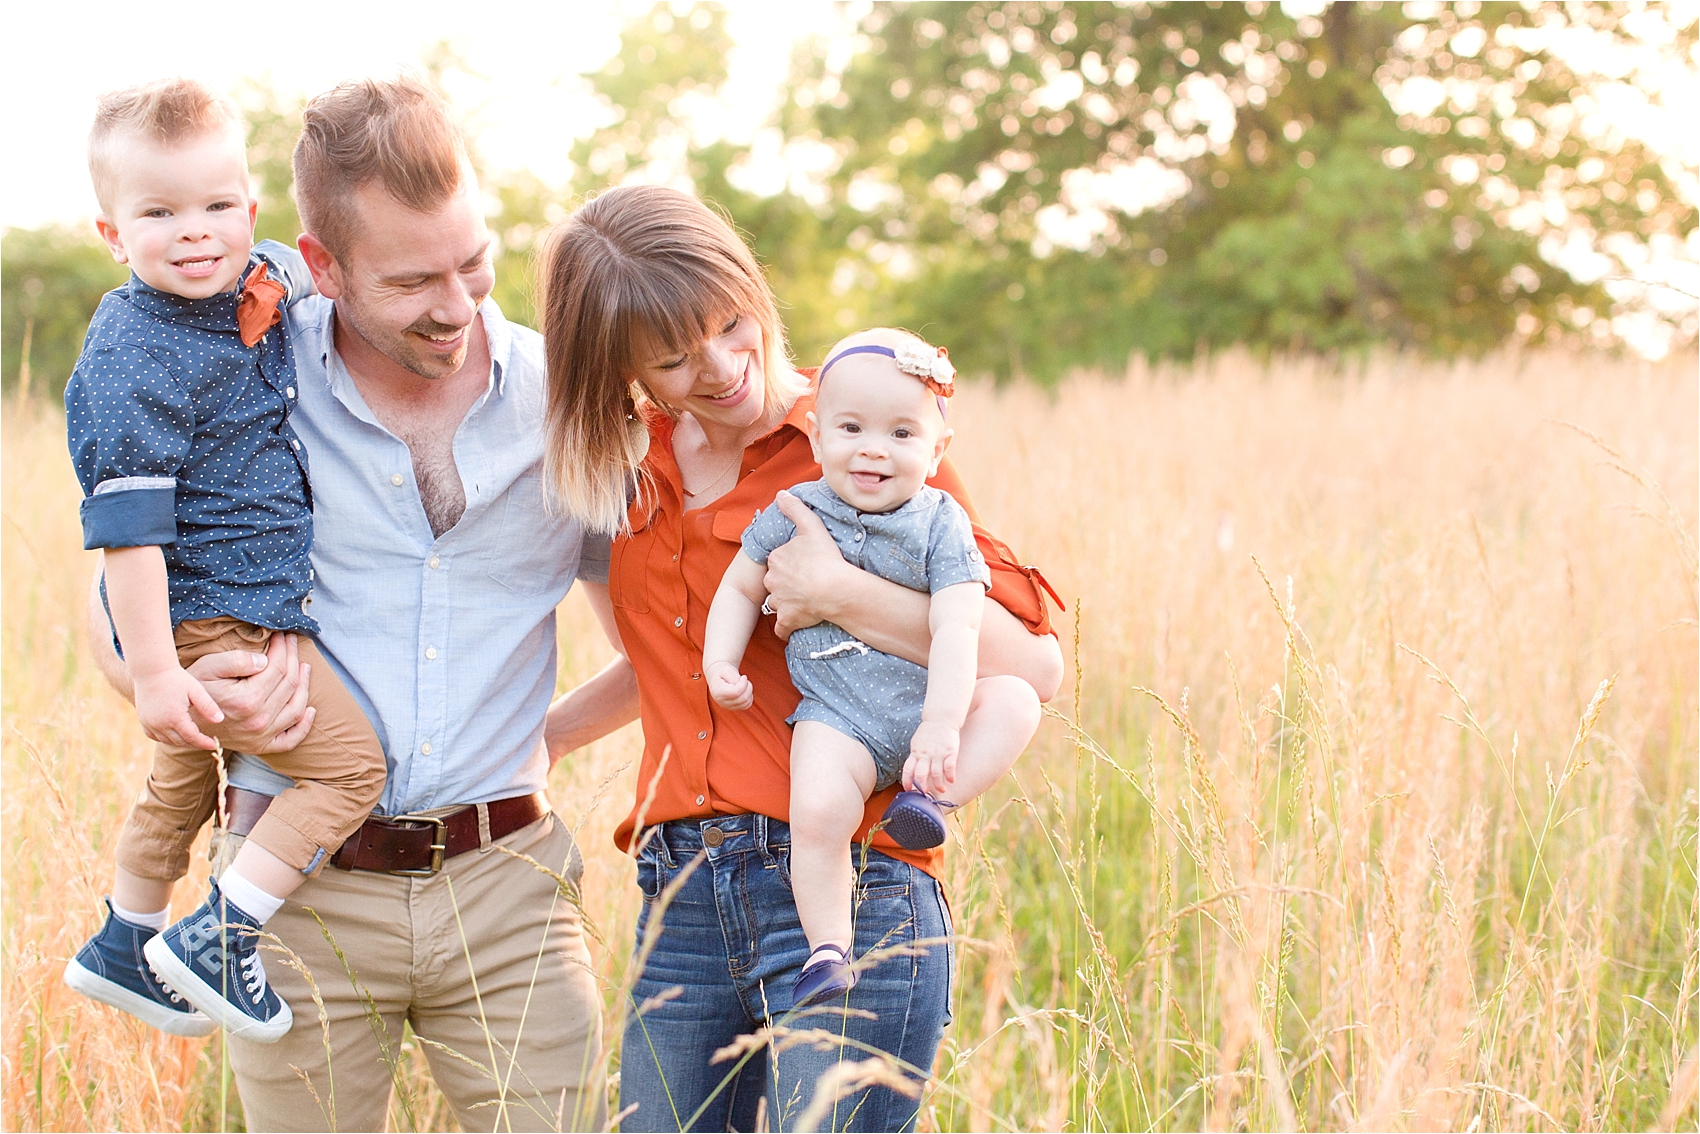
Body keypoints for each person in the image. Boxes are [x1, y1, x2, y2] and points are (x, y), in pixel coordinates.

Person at [88, 76, 627, 1132]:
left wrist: (542, 743)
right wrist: (175, 680)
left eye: (472, 261)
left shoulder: (565, 398)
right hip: (289, 902)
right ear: (321, 266)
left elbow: (659, 641)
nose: (458, 304)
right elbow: (113, 578)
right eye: (414, 280)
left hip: (509, 892)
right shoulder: (242, 371)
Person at [538, 184, 1063, 1133]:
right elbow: (672, 668)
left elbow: (1031, 665)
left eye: (732, 323)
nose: (723, 366)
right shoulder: (630, 470)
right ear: (618, 367)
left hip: (844, 876)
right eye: (672, 356)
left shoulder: (864, 432)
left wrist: (842, 595)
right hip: (682, 894)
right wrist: (538, 745)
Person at [62, 77, 386, 1045]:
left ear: (249, 210)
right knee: (345, 770)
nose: (194, 232)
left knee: (189, 776)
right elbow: (129, 533)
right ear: (114, 235)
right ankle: (219, 936)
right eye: (159, 213)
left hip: (236, 595)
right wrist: (156, 672)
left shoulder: (263, 273)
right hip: (209, 605)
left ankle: (125, 937)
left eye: (215, 206)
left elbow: (293, 266)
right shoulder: (129, 354)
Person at [701, 327, 1041, 1009]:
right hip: (840, 716)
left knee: (1015, 702)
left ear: (937, 450)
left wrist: (942, 727)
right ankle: (829, 948)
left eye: (902, 434)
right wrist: (719, 660)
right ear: (819, 437)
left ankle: (930, 800)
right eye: (851, 428)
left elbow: (957, 624)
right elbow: (739, 586)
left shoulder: (943, 522)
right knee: (819, 810)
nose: (874, 449)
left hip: (930, 710)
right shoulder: (795, 509)